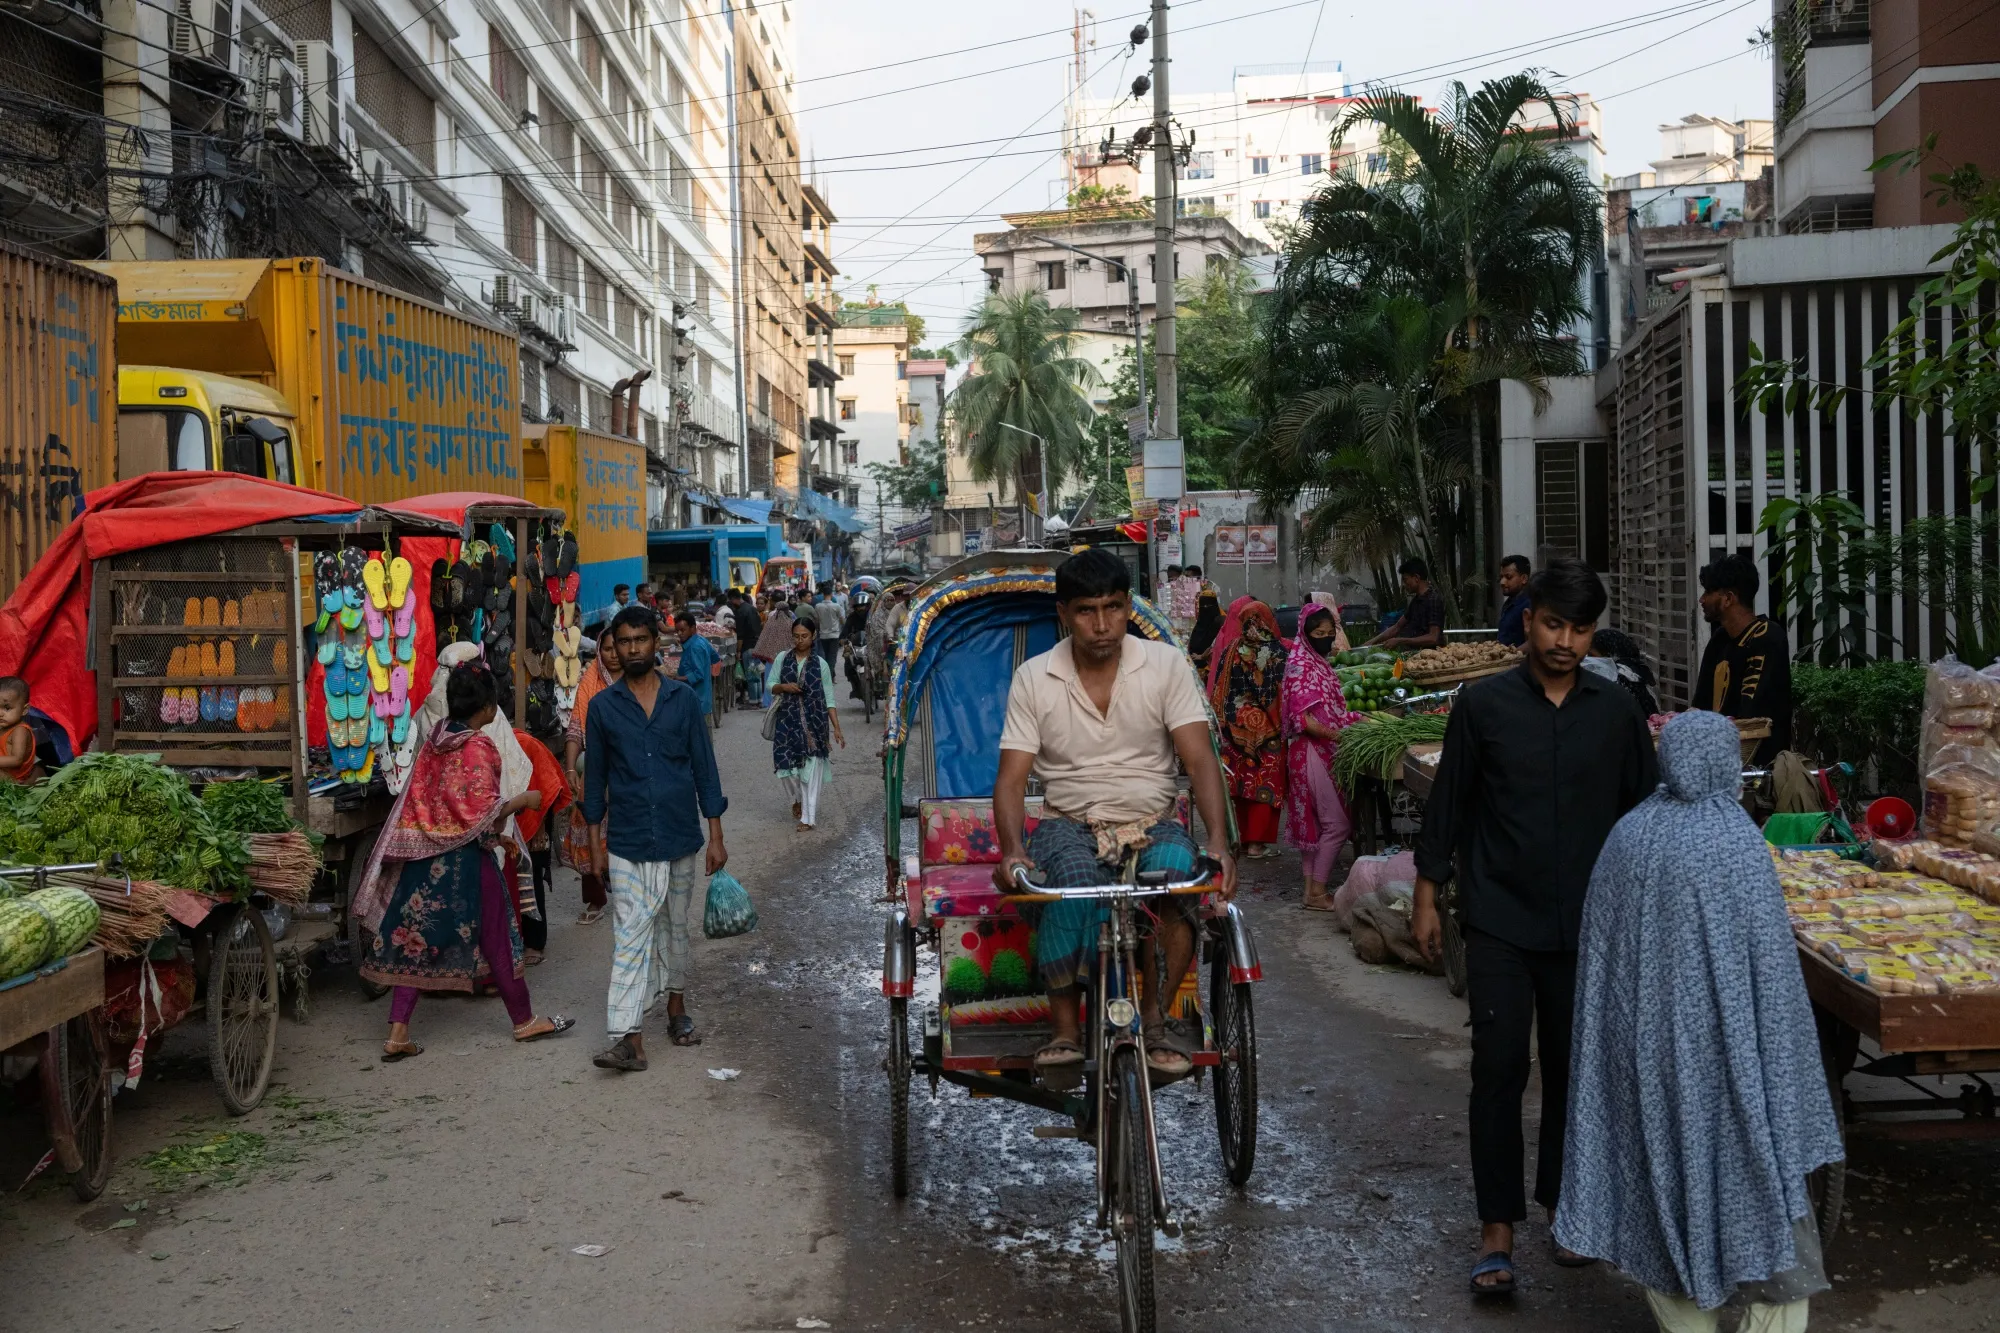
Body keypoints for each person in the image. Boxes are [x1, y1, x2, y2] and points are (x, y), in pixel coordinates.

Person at [1409, 557, 1659, 1296]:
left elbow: (1644, 817)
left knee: (1573, 1070)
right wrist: (1428, 893)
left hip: (1589, 925)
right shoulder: (1482, 706)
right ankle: (1496, 1228)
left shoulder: (1616, 714)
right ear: (1527, 618)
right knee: (1498, 1068)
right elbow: (1447, 805)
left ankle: (1565, 1208)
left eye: (1581, 629)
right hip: (1498, 919)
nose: (1566, 641)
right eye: (1554, 623)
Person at [1557, 711, 1844, 1332]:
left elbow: (1603, 968)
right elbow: (1773, 985)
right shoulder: (1740, 844)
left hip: (1648, 1066)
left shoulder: (1626, 838)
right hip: (1734, 1076)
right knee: (1766, 1208)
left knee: (1663, 1203)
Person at [994, 548, 1237, 1085]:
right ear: (1063, 613)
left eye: (1112, 608)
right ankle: (1064, 1030)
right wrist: (1013, 849)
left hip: (1151, 819)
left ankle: (1155, 1018)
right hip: (1068, 822)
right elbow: (1012, 779)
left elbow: (1198, 759)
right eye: (1086, 610)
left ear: (1128, 607)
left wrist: (1219, 841)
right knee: (1068, 884)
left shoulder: (1166, 666)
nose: (1101, 625)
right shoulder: (1035, 678)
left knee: (1179, 877)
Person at [357, 663, 575, 1059]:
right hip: (464, 860)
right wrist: (525, 800)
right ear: (489, 707)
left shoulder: (434, 741)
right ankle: (524, 1020)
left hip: (423, 857)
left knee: (412, 941)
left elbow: (442, 803)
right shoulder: (479, 746)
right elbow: (481, 811)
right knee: (498, 935)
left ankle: (398, 1033)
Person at [583, 607, 729, 1072]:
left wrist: (716, 836)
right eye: (623, 642)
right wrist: (594, 848)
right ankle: (629, 1037)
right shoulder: (602, 708)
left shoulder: (683, 700)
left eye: (640, 640)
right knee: (630, 935)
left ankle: (675, 1008)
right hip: (626, 840)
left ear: (655, 642)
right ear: (615, 649)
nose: (632, 649)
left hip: (680, 834)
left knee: (674, 927)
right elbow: (595, 785)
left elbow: (705, 769)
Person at [1284, 606, 1362, 910]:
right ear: (1305, 634)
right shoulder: (1303, 666)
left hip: (1307, 753)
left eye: (1330, 634)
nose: (1326, 641)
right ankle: (1317, 892)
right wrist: (1339, 735)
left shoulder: (1313, 661)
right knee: (1338, 824)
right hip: (1312, 750)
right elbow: (1305, 721)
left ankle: (1310, 893)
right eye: (1319, 635)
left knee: (1315, 824)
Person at [1692, 552, 1793, 765]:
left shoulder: (1767, 637)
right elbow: (1700, 705)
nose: (1702, 599)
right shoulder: (1720, 638)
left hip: (1758, 765)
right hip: (1718, 759)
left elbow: (1752, 715)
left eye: (1709, 592)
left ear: (1729, 598)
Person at [1211, 600, 1289, 858]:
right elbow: (1279, 691)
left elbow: (1219, 688)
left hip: (1234, 728)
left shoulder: (1232, 647)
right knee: (1265, 782)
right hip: (1266, 730)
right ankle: (1257, 844)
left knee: (1242, 785)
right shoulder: (1276, 651)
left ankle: (1243, 840)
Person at [766, 616, 843, 830]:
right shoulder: (783, 658)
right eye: (796, 636)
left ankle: (808, 818)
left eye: (804, 636)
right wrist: (784, 687)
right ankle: (796, 800)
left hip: (815, 724)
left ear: (813, 636)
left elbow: (829, 698)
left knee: (812, 771)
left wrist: (836, 728)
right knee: (786, 769)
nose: (800, 641)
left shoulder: (822, 665)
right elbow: (770, 684)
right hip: (787, 723)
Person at [562, 634, 619, 925]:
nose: (613, 654)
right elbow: (575, 728)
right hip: (597, 770)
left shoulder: (641, 680)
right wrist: (571, 768)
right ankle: (596, 898)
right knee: (588, 824)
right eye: (606, 648)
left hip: (632, 771)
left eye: (616, 647)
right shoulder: (590, 680)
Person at [510, 728, 572, 965]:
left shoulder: (525, 743)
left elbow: (547, 784)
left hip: (533, 815)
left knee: (531, 876)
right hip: (502, 815)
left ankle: (534, 942)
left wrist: (540, 828)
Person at [1368, 557, 1446, 649]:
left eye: (1405, 580)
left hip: (1431, 658)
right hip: (1416, 655)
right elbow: (1397, 627)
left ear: (1416, 578)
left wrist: (1400, 640)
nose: (1404, 585)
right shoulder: (1416, 601)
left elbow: (1433, 638)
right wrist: (1369, 643)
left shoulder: (1433, 599)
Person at [1587, 627, 1662, 718]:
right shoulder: (1637, 672)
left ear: (1609, 654)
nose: (1589, 660)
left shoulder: (1624, 677)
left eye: (1592, 655)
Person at [673, 610, 716, 722]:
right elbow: (715, 657)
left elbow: (698, 675)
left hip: (697, 699)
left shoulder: (695, 647)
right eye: (677, 631)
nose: (679, 634)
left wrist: (677, 679)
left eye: (683, 630)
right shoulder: (701, 640)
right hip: (702, 699)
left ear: (692, 628)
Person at [0, 677, 40, 784]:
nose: (0, 714)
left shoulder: (20, 731)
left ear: (24, 710)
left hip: (14, 777)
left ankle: (18, 787)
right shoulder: (4, 726)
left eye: (7, 708)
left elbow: (17, 760)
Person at [727, 589, 763, 706]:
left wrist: (738, 651)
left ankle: (753, 701)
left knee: (751, 674)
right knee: (756, 673)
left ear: (733, 599)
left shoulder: (740, 612)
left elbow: (741, 635)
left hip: (747, 647)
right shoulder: (752, 608)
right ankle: (758, 699)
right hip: (756, 645)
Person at [1186, 587, 1225, 675]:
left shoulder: (1220, 622)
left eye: (1208, 605)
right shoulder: (1200, 623)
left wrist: (1203, 656)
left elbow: (1217, 645)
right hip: (1195, 669)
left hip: (1211, 670)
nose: (1205, 608)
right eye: (1203, 606)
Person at [1495, 555, 1531, 648]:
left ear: (1524, 579)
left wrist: (1513, 655)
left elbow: (1534, 642)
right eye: (1501, 577)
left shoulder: (1530, 604)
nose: (1502, 582)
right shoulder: (1508, 603)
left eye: (1508, 577)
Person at [815, 588, 844, 669]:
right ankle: (830, 676)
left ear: (823, 595)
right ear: (831, 594)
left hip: (823, 635)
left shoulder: (818, 606)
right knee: (832, 656)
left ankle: (829, 674)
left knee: (826, 655)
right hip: (834, 635)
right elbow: (842, 620)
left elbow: (817, 621)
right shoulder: (836, 606)